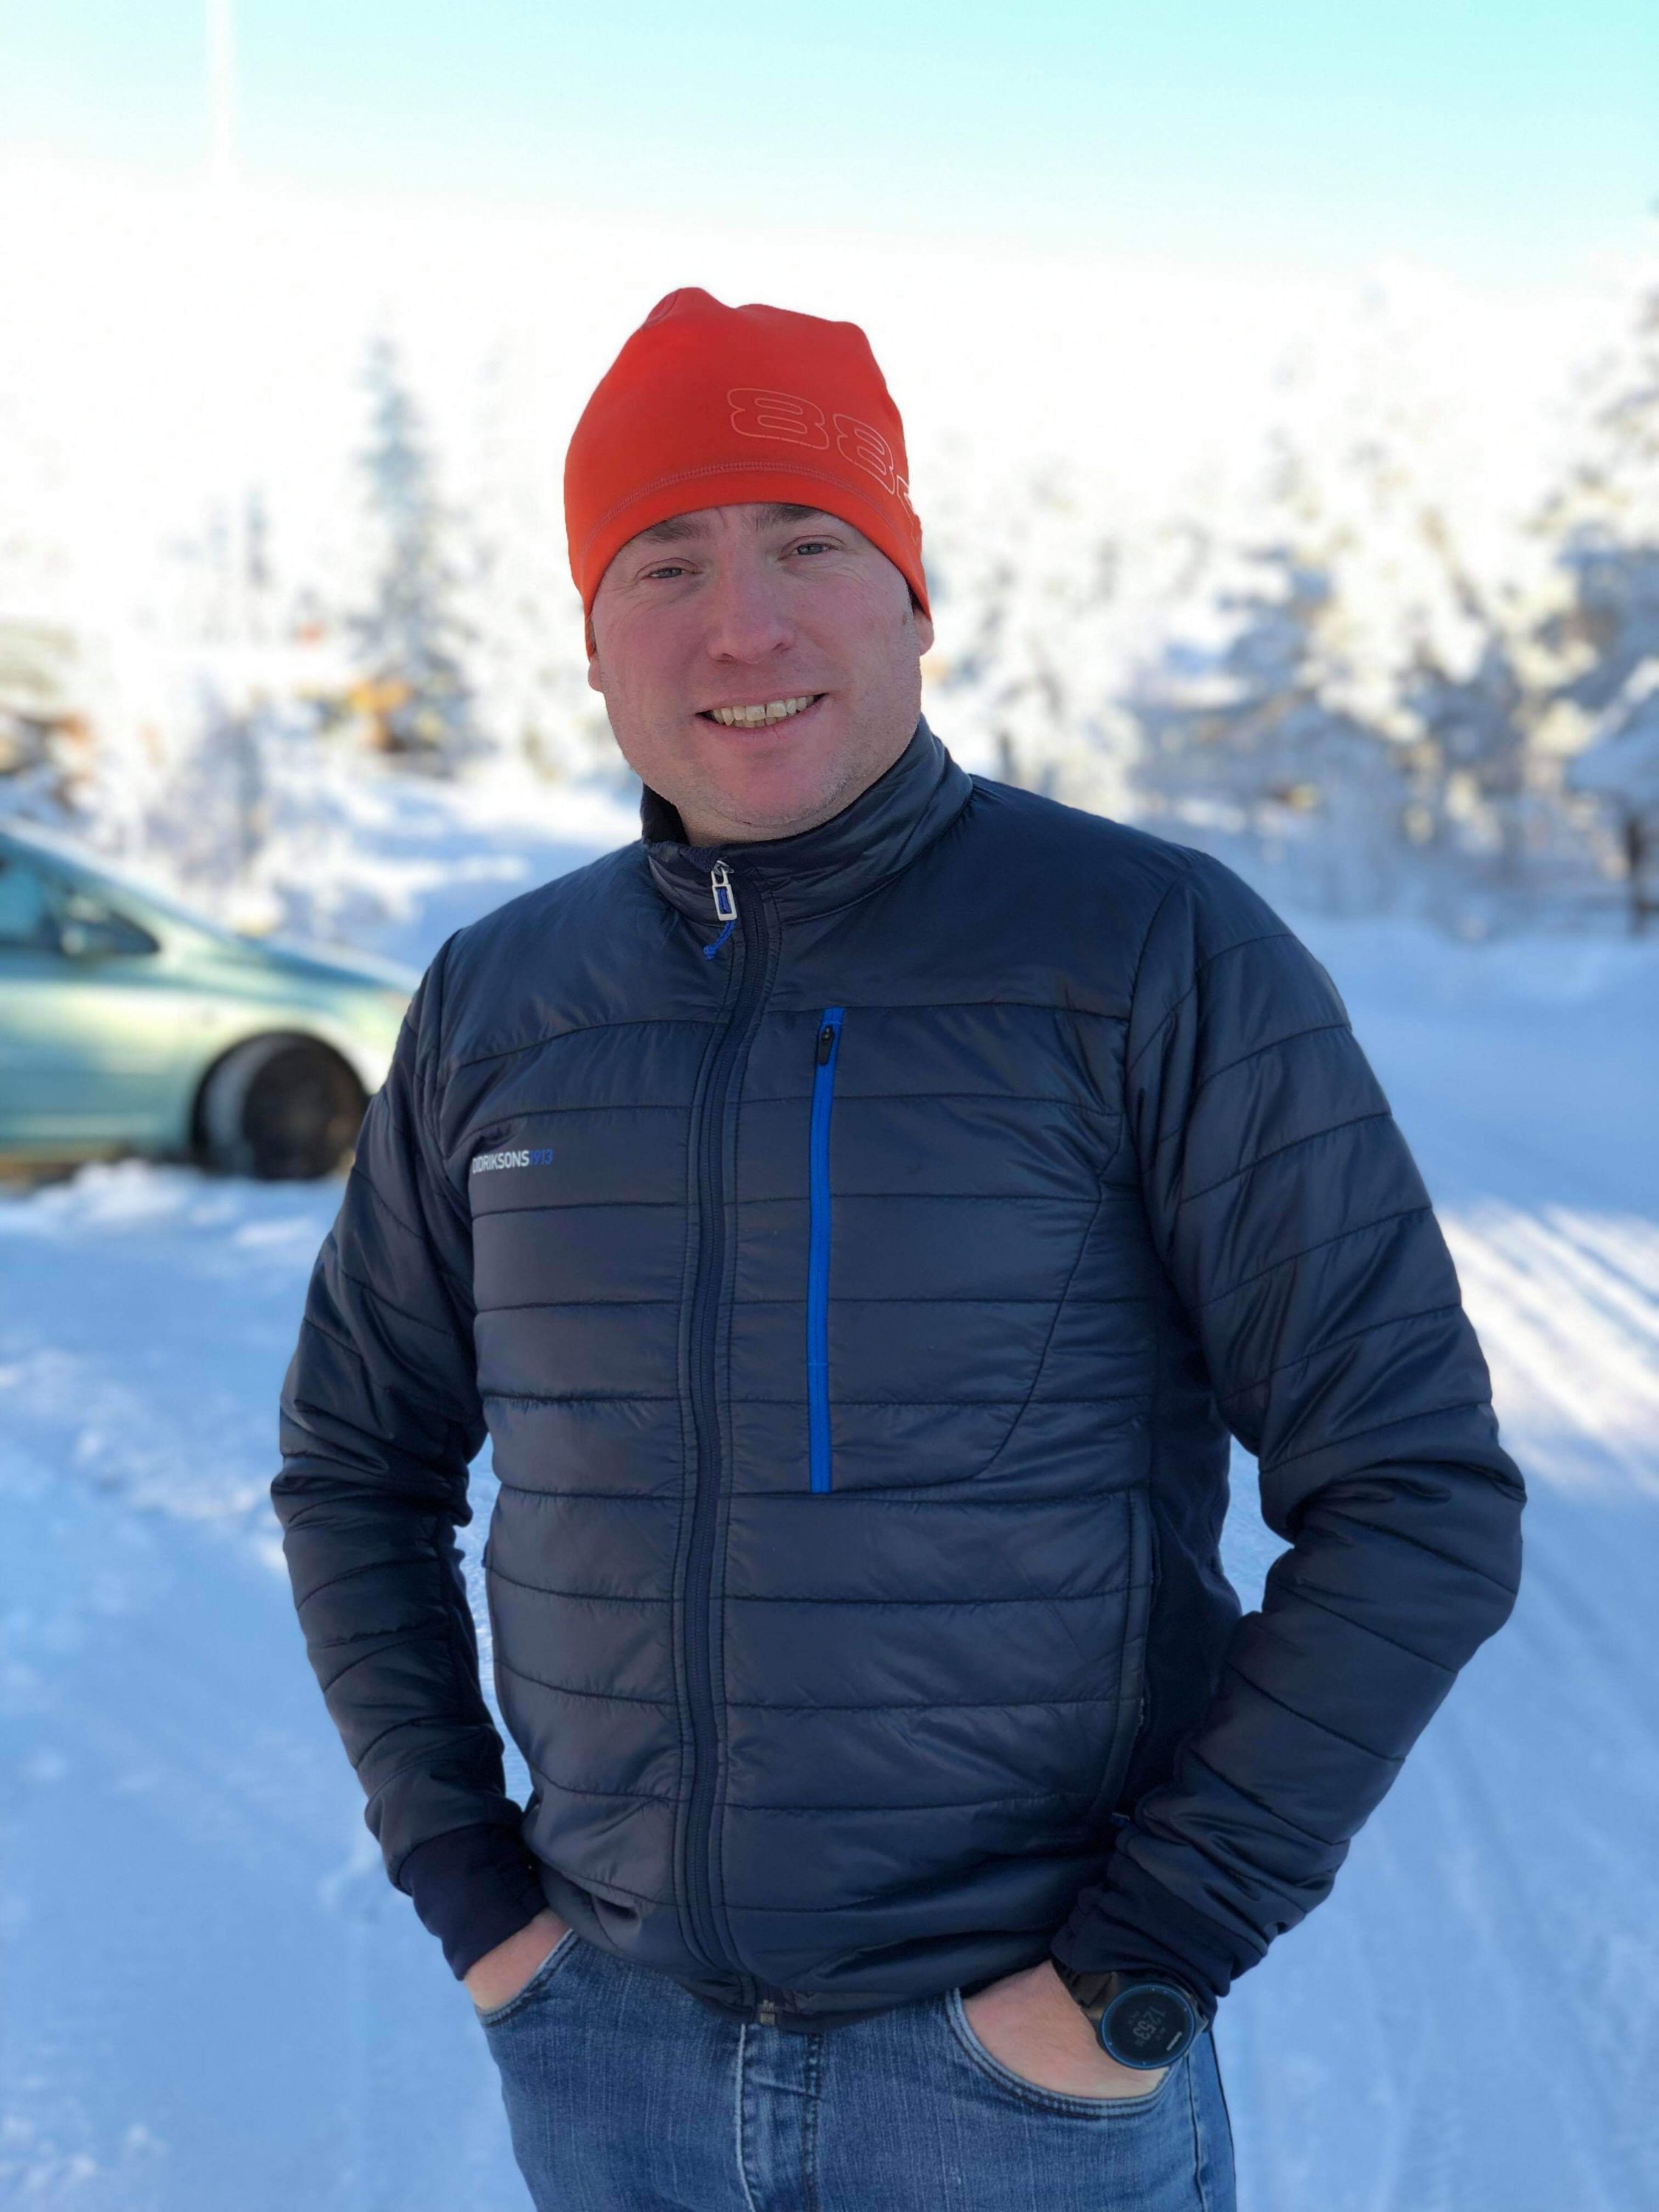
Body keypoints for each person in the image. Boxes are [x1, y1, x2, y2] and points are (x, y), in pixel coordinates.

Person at [272, 288, 1525, 2212]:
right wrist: (478, 1900)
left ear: (911, 598)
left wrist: (1134, 1972)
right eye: (664, 562)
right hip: (607, 2061)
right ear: (592, 641)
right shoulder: (500, 1001)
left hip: (1012, 2089)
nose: (742, 625)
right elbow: (357, 1465)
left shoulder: (1144, 952)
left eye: (806, 545)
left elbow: (1416, 1494)